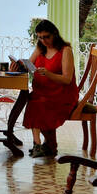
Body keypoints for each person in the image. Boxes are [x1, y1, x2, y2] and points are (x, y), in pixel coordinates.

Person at [22, 19, 79, 158]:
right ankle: (39, 145)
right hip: (43, 91)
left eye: (46, 37)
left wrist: (48, 74)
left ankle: (48, 145)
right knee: (32, 100)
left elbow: (67, 79)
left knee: (39, 104)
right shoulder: (40, 48)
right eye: (40, 37)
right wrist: (19, 65)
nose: (43, 41)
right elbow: (29, 65)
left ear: (54, 34)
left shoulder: (65, 51)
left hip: (62, 94)